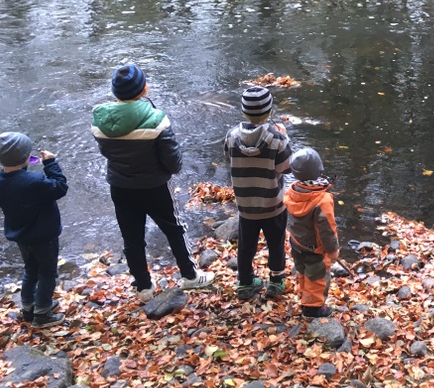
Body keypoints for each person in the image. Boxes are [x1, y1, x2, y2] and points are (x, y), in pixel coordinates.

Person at [92, 64, 214, 303]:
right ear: (144, 89)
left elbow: (108, 153)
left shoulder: (100, 121)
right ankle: (189, 276)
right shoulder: (157, 119)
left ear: (115, 92)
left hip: (120, 187)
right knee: (174, 229)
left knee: (132, 237)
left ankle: (144, 287)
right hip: (155, 187)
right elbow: (173, 161)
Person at [0, 133, 69, 328]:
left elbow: (16, 182)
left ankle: (27, 308)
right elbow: (60, 187)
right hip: (44, 237)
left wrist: (22, 165)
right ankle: (42, 312)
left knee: (31, 270)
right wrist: (50, 163)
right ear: (26, 157)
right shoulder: (34, 181)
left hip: (22, 236)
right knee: (48, 273)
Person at [224, 85, 293, 300]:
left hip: (246, 205)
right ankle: (276, 281)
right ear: (269, 111)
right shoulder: (277, 139)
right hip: (273, 204)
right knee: (275, 243)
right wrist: (286, 137)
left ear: (244, 112)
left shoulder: (232, 136)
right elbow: (287, 167)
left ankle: (245, 283)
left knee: (246, 245)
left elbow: (228, 159)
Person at [284, 147, 339, 318]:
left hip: (297, 242)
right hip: (315, 248)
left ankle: (304, 294)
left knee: (302, 269)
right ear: (319, 169)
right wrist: (332, 250)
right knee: (317, 276)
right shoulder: (322, 200)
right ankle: (313, 309)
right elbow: (327, 229)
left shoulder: (292, 191)